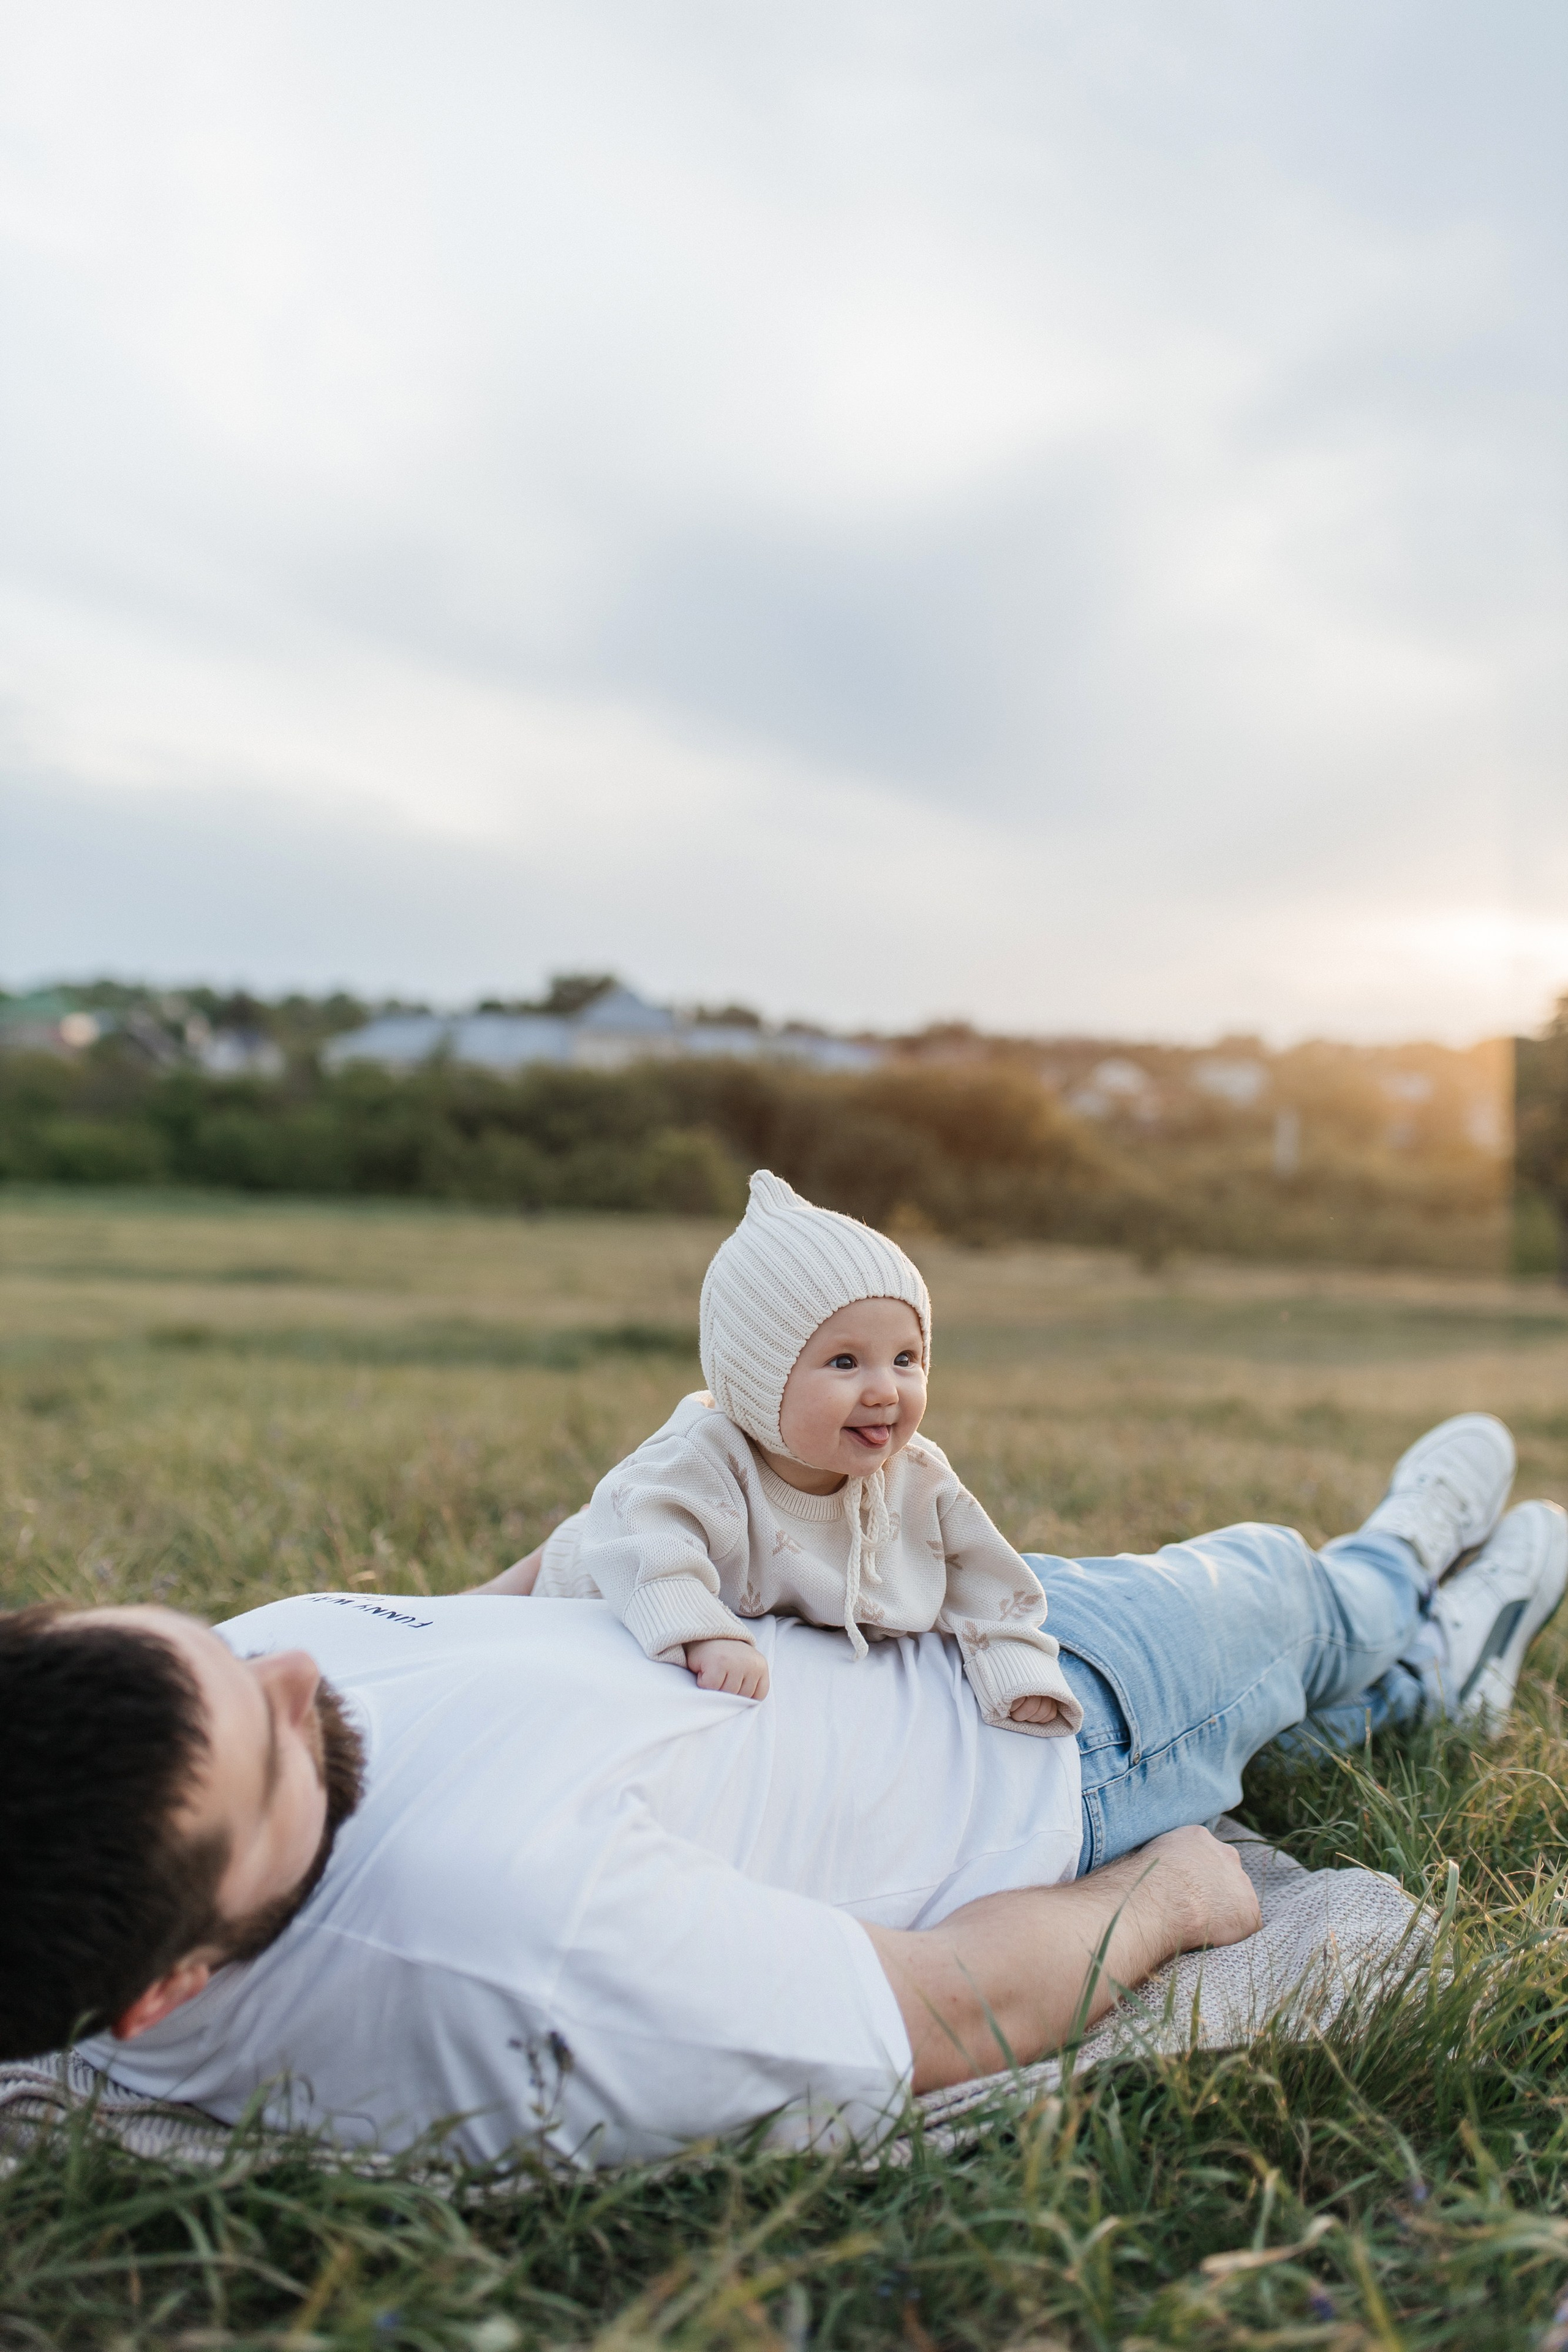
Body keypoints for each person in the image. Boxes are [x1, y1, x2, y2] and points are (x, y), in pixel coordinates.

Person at [0, 1416, 1562, 2169]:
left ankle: (1429, 1669)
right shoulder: (510, 1956)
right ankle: (1394, 1576)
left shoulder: (201, 1741)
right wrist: (1160, 1899)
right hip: (1048, 1726)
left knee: (1309, 1677)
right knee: (1267, 1595)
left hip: (860, 1612)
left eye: (221, 1644)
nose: (291, 1675)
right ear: (172, 1988)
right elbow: (939, 2011)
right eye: (278, 1750)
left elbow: (457, 1632)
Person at [530, 1169, 1078, 1732]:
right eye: (846, 1362)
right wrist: (705, 1633)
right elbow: (644, 1540)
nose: (886, 1390)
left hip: (638, 1538)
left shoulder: (918, 1478)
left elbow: (983, 1574)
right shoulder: (704, 1457)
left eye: (906, 1359)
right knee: (489, 1597)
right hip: (593, 1563)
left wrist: (1011, 1660)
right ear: (759, 1381)